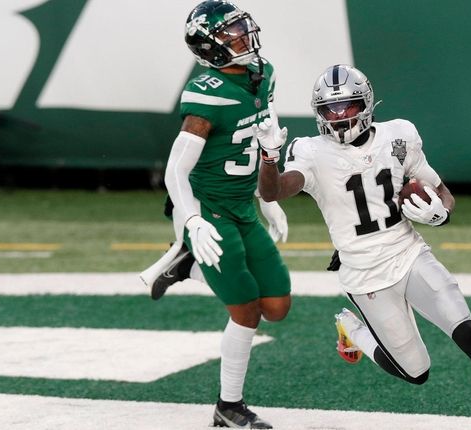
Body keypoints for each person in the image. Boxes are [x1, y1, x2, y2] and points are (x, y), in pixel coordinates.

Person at [255, 64, 471, 429]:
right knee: (416, 372)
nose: (339, 118)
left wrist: (440, 214)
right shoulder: (311, 151)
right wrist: (268, 157)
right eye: (330, 110)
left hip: (408, 252)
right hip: (365, 274)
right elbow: (273, 190)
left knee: (466, 328)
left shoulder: (399, 135)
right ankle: (352, 329)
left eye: (348, 107)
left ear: (366, 104)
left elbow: (442, 192)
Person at [142, 1, 291, 428]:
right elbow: (175, 171)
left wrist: (268, 196)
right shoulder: (205, 95)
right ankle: (228, 408)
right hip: (207, 212)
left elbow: (265, 121)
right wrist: (191, 221)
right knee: (246, 311)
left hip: (242, 204)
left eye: (243, 28)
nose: (244, 37)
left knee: (277, 307)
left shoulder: (263, 72)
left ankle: (187, 266)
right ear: (210, 49)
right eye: (232, 34)